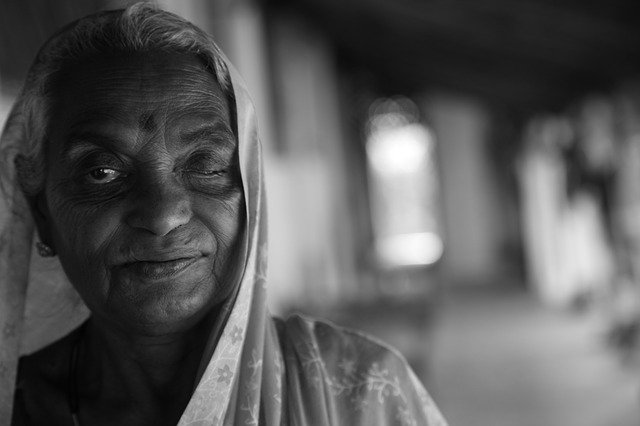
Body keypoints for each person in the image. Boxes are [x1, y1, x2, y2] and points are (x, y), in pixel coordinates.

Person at [0, 4, 448, 425]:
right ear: (42, 213)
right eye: (102, 171)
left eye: (208, 165)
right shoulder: (16, 404)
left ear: (251, 191)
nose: (163, 215)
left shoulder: (360, 393)